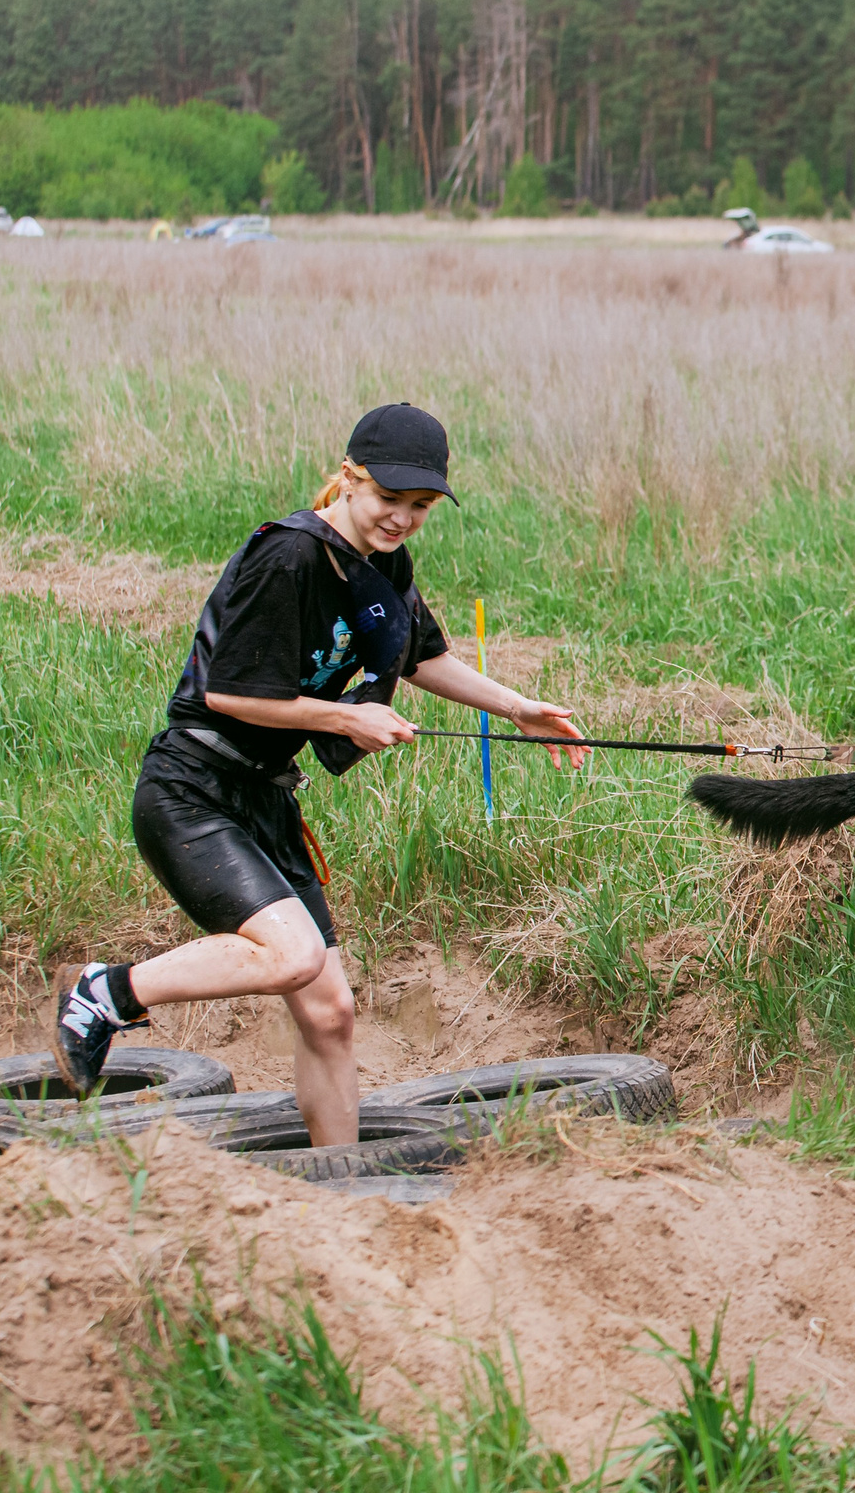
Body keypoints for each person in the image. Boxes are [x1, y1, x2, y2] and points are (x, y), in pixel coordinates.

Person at [49, 403, 585, 1143]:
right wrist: (345, 717)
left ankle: (345, 1188)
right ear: (347, 479)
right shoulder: (290, 556)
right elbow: (228, 693)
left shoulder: (382, 565)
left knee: (331, 1012)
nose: (401, 519)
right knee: (294, 957)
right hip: (192, 791)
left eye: (420, 507)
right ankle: (106, 991)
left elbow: (421, 657)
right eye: (388, 500)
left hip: (265, 801)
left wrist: (516, 705)